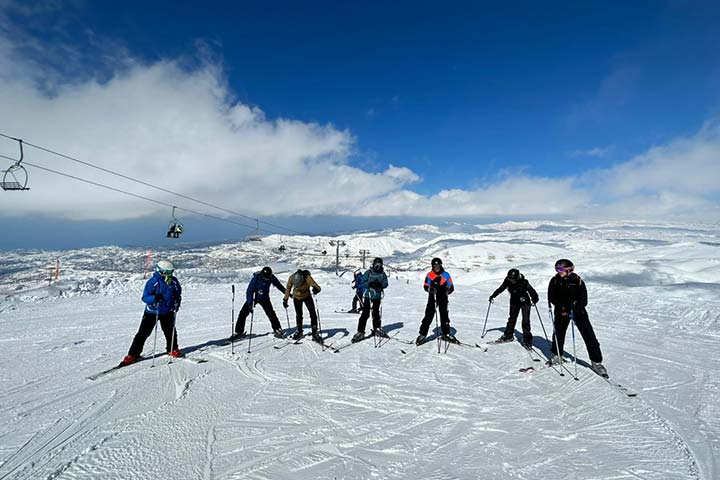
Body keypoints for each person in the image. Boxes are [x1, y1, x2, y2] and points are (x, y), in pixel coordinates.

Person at [547, 259, 608, 378]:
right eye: (556, 269)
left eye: (560, 269)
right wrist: (562, 307)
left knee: (589, 335)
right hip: (561, 311)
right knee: (558, 334)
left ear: (569, 269)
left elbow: (584, 300)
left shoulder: (577, 281)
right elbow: (551, 297)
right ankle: (557, 355)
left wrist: (574, 309)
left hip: (578, 311)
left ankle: (596, 362)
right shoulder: (555, 281)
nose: (558, 271)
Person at [121, 260, 182, 365]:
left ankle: (172, 349)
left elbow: (177, 293)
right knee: (143, 333)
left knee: (170, 331)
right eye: (168, 272)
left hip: (167, 311)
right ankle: (133, 354)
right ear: (161, 271)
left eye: (171, 272)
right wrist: (154, 298)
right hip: (153, 311)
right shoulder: (153, 282)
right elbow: (145, 297)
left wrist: (177, 302)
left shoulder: (174, 281)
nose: (170, 274)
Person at [489, 268, 539, 348]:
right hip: (514, 301)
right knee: (512, 318)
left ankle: (527, 340)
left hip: (524, 301)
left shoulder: (524, 282)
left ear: (517, 277)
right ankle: (508, 335)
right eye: (510, 279)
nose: (512, 281)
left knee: (525, 321)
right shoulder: (508, 280)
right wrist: (493, 295)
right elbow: (501, 288)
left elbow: (531, 291)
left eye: (513, 280)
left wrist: (535, 298)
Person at [234, 266, 286, 339]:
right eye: (265, 278)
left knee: (271, 313)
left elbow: (278, 285)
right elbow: (249, 290)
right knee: (243, 313)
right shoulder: (256, 278)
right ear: (262, 275)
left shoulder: (271, 277)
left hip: (265, 298)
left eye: (268, 278)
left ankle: (277, 329)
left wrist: (285, 292)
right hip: (254, 298)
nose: (267, 279)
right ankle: (239, 332)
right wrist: (250, 303)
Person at [416, 257, 456, 345]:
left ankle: (446, 333)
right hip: (433, 297)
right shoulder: (430, 275)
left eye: (438, 265)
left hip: (442, 297)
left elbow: (451, 286)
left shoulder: (446, 275)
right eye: (435, 266)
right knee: (428, 315)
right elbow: (425, 286)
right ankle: (422, 334)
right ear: (432, 266)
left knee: (444, 315)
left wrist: (448, 290)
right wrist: (430, 289)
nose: (437, 267)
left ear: (441, 265)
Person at [352, 257, 389, 342]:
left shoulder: (382, 274)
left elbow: (386, 283)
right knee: (365, 313)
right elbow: (362, 283)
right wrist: (370, 284)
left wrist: (380, 285)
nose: (378, 266)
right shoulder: (368, 273)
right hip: (368, 296)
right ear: (374, 264)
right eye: (376, 264)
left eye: (379, 264)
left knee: (376, 313)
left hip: (377, 297)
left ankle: (377, 329)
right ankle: (360, 332)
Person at [283, 269, 322, 342]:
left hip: (307, 296)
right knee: (299, 314)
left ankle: (314, 332)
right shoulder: (291, 278)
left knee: (313, 313)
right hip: (296, 298)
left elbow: (318, 287)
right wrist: (285, 299)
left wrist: (316, 289)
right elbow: (288, 288)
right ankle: (299, 331)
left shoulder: (307, 278)